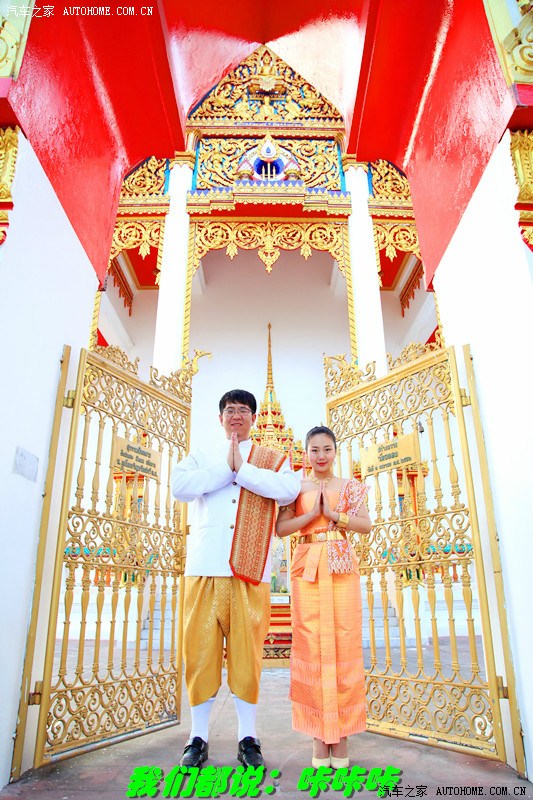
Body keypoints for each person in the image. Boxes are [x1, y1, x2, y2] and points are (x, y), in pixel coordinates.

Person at [171, 389, 300, 768]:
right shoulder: (202, 456)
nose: (236, 416)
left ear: (254, 418)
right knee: (200, 653)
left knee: (247, 656)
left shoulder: (272, 459)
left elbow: (288, 490)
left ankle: (248, 737)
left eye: (244, 410)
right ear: (220, 417)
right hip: (205, 568)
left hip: (250, 569)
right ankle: (197, 737)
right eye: (230, 410)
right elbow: (180, 487)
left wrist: (243, 470)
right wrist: (224, 469)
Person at [276, 425, 371, 768]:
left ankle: (341, 736)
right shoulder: (295, 487)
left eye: (326, 449)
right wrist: (309, 516)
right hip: (308, 566)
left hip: (341, 567)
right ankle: (319, 735)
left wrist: (334, 516)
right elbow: (281, 528)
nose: (320, 456)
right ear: (306, 453)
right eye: (314, 450)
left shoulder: (348, 486)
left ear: (335, 451)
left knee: (344, 643)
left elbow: (366, 525)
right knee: (311, 643)